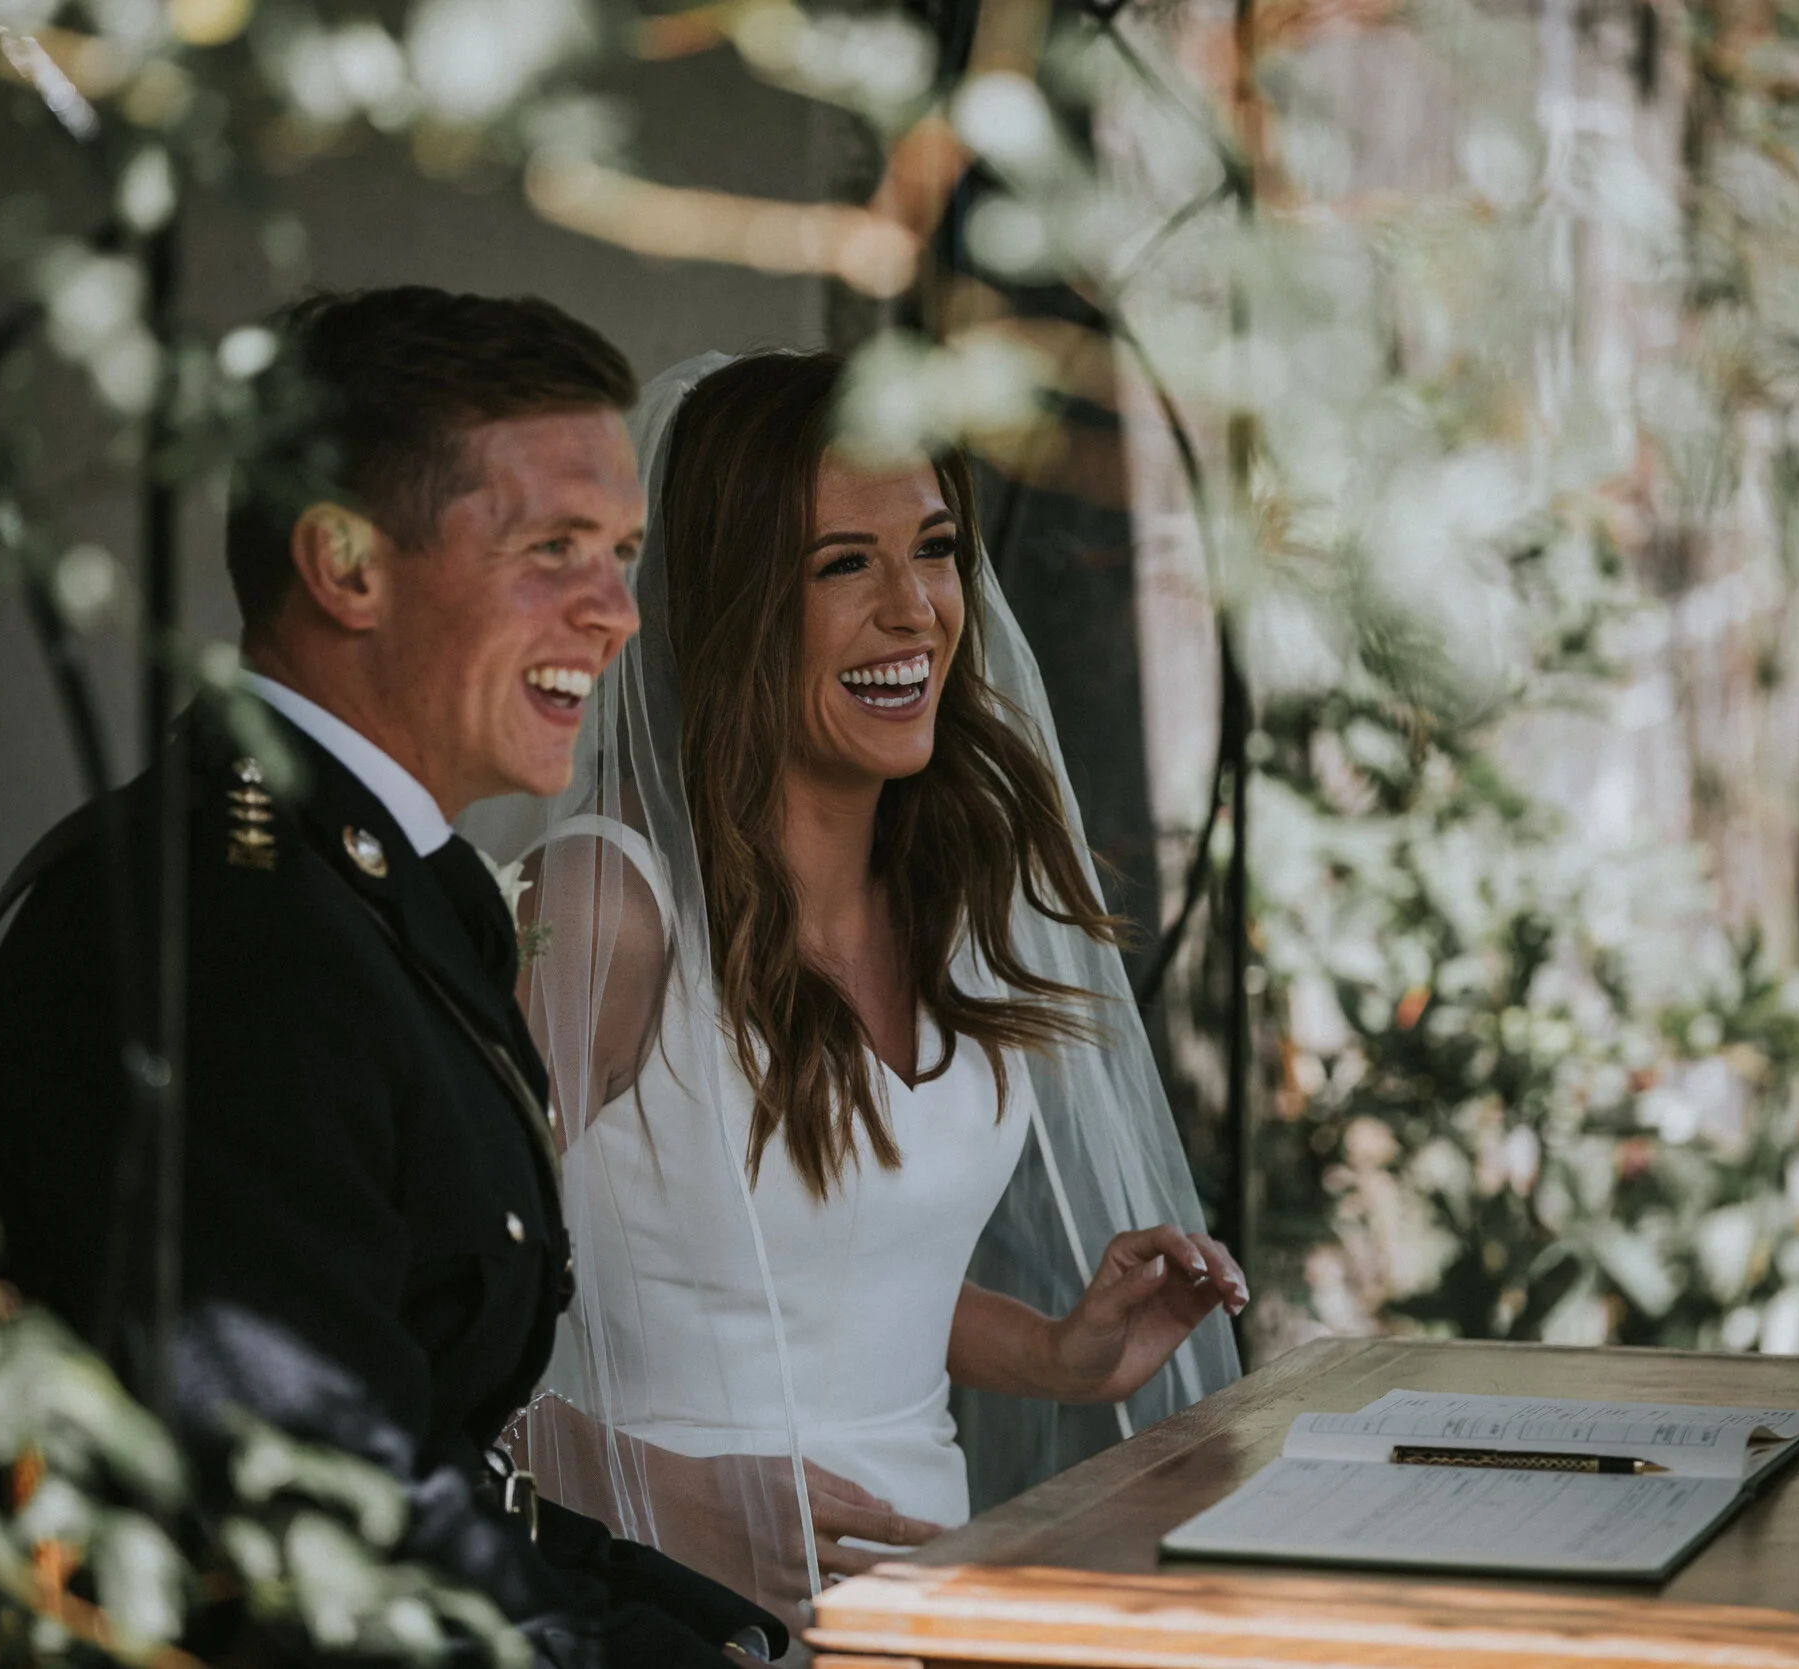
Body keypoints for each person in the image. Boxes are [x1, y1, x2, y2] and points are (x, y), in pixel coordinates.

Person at [0, 290, 788, 1666]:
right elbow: (321, 1534)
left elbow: (435, 1454)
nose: (620, 614)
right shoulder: (222, 936)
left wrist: (695, 1625)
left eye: (624, 553)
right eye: (553, 549)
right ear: (344, 565)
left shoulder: (369, 887)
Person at [462, 350, 1244, 1631]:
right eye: (841, 565)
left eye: (932, 549)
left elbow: (827, 1277)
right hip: (641, 1610)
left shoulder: (960, 900)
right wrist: (643, 1494)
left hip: (921, 1607)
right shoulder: (607, 909)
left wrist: (1057, 1351)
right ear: (728, 602)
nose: (913, 610)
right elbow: (411, 1319)